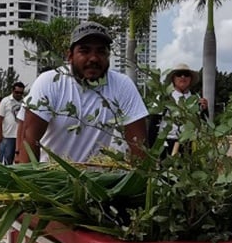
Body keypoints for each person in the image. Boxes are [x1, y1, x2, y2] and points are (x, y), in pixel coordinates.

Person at [19, 21, 148, 164]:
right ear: (70, 56)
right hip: (51, 177)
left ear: (108, 56)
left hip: (97, 179)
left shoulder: (122, 85)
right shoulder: (50, 82)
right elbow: (29, 139)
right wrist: (29, 183)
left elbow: (139, 146)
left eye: (101, 51)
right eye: (84, 51)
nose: (93, 58)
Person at [159, 63, 209, 157]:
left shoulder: (196, 98)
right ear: (173, 78)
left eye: (186, 74)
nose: (183, 77)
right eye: (179, 74)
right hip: (167, 143)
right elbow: (154, 124)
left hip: (189, 144)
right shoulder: (164, 97)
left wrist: (205, 110)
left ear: (190, 79)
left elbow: (203, 123)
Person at [0, 82, 25, 165]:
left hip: (21, 136)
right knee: (8, 158)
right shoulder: (5, 101)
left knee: (20, 160)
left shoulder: (25, 102)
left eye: (21, 93)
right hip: (8, 135)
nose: (19, 94)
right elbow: (0, 117)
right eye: (17, 92)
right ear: (12, 91)